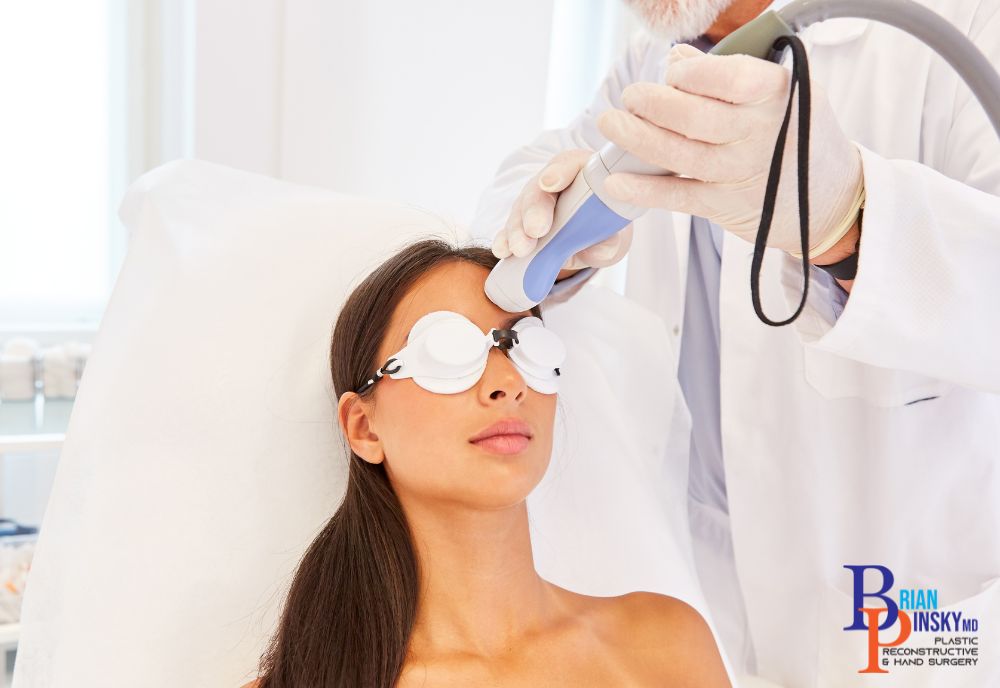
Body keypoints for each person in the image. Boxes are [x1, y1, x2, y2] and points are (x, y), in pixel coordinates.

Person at [472, 0, 1000, 685]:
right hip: (715, 583)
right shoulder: (651, 58)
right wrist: (548, 226)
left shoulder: (961, 25)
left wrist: (847, 219)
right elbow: (540, 169)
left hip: (919, 612)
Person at [240, 239, 730, 687]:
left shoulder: (666, 646)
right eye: (449, 352)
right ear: (364, 428)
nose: (508, 382)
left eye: (524, 344)